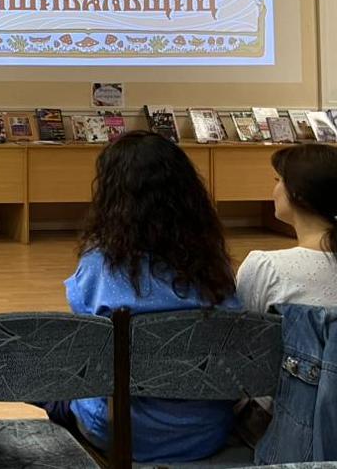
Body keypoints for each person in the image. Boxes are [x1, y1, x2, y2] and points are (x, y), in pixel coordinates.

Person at [58, 130, 240, 463]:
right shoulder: (215, 267)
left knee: (56, 385)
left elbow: (85, 348)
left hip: (121, 433)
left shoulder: (100, 266)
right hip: (205, 433)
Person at [237, 143, 337, 312]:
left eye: (278, 180)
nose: (274, 190)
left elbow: (244, 325)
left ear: (297, 193)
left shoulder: (266, 268)